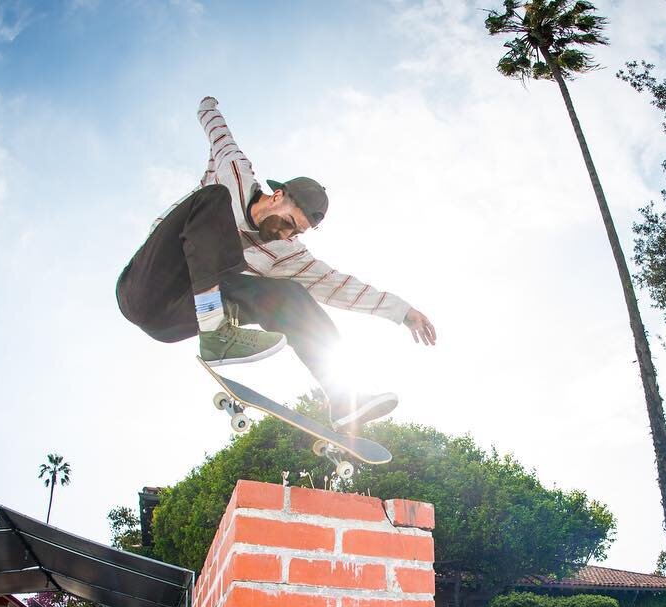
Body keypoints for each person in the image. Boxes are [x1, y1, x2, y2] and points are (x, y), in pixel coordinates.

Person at [115, 96, 436, 429]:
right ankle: (215, 327)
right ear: (278, 196)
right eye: (289, 223)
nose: (287, 235)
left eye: (296, 233)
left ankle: (343, 400)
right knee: (214, 199)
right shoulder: (235, 172)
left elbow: (342, 286)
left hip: (179, 317)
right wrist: (207, 104)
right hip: (147, 284)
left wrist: (403, 312)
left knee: (292, 295)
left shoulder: (287, 254)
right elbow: (219, 133)